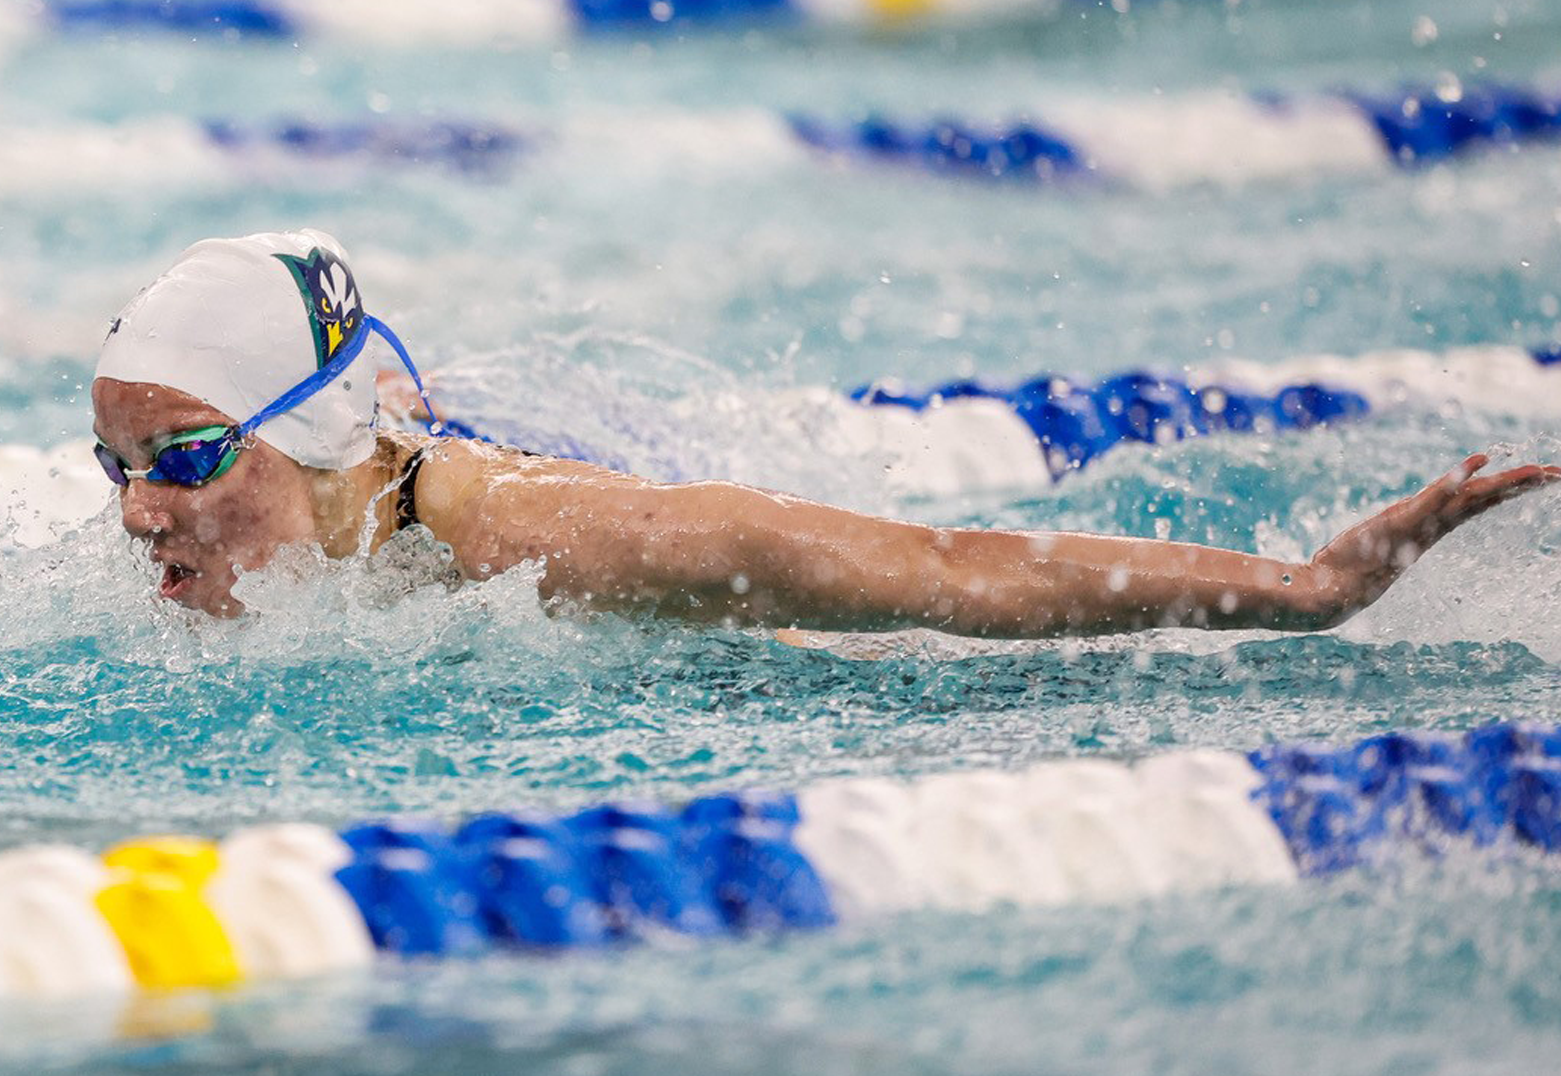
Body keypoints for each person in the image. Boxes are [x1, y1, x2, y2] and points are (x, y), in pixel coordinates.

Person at [92, 230, 1560, 627]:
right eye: (120, 465)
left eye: (192, 457)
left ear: (320, 430)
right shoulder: (285, 506)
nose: (140, 512)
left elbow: (944, 568)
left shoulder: (558, 543)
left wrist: (1310, 587)